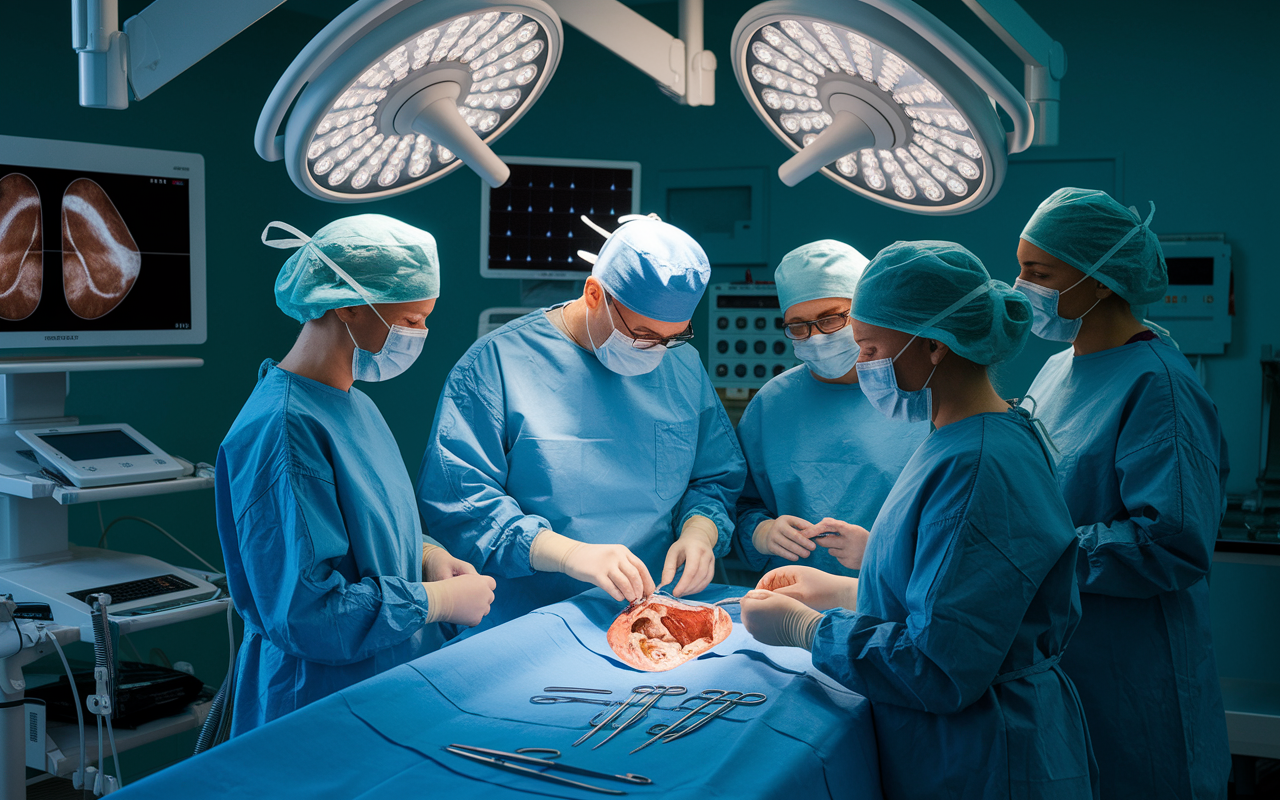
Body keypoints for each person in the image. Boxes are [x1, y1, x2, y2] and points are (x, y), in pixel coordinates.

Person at [740, 241, 1097, 799]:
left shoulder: (977, 464)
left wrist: (808, 629)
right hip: (955, 743)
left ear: (932, 346)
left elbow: (940, 664)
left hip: (984, 756)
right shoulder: (960, 437)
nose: (860, 366)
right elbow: (954, 600)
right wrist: (843, 590)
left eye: (870, 348)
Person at [215, 215, 496, 736]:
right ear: (345, 303)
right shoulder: (282, 431)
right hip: (317, 701)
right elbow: (307, 614)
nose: (420, 335)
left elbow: (371, 530)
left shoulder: (355, 406)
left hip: (385, 680)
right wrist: (435, 603)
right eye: (411, 319)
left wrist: (428, 557)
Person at [418, 215, 745, 630]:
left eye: (672, 337)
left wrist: (700, 531)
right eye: (643, 334)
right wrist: (568, 554)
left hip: (657, 616)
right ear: (594, 294)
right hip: (526, 620)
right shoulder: (497, 365)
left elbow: (713, 475)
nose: (656, 352)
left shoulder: (682, 366)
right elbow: (462, 505)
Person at [1016, 188, 1230, 799]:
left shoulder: (1159, 386)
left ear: (1100, 279)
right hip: (1065, 650)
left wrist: (1038, 552)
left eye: (1039, 273)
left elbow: (1171, 546)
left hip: (1136, 667)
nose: (1021, 286)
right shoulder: (1058, 368)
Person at [734, 240, 929, 576]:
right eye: (799, 325)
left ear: (866, 309)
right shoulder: (772, 404)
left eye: (832, 319)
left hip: (892, 607)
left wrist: (886, 553)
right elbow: (740, 504)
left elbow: (957, 524)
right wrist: (760, 532)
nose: (816, 338)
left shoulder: (919, 396)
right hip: (789, 607)